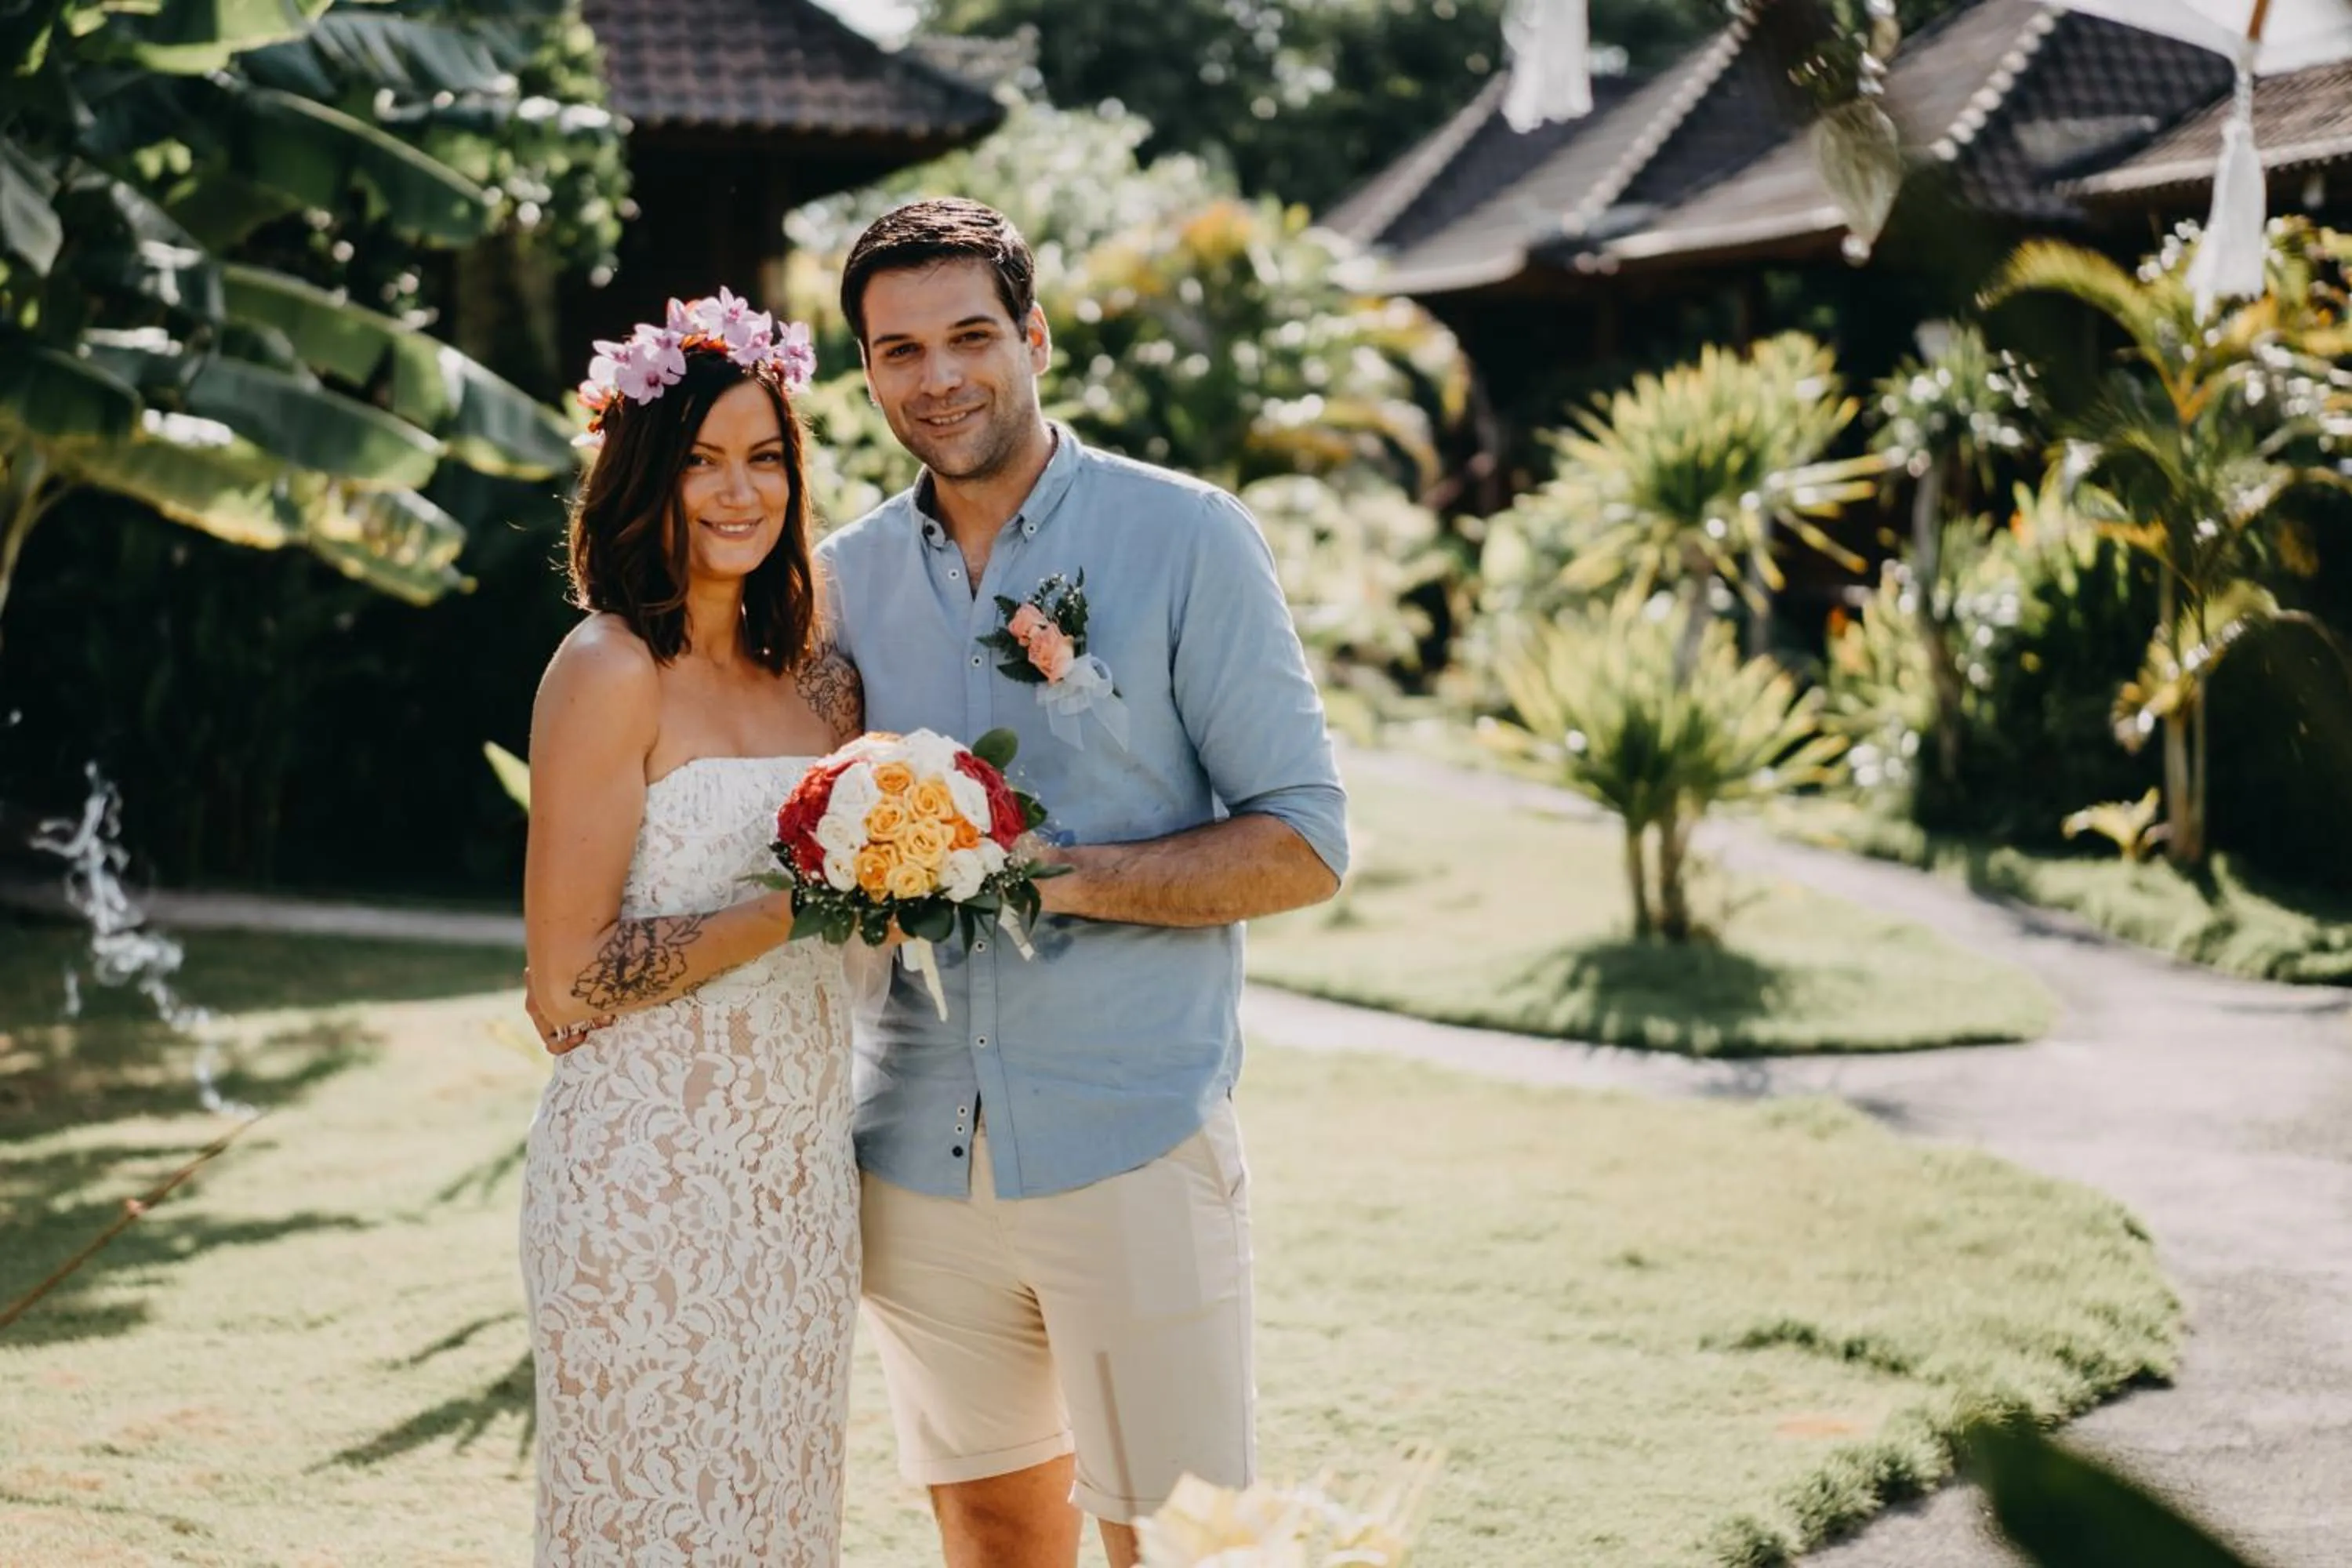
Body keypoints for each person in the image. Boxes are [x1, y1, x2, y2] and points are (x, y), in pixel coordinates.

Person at [819, 197, 1348, 1568]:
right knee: (994, 1533)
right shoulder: (838, 583)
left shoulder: (1186, 538)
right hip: (913, 1156)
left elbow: (1303, 842)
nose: (938, 379)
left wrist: (1045, 876)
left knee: (1178, 1547)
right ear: (866, 371)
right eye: (897, 351)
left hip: (1130, 1137)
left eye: (970, 337)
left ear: (1035, 338)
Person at [517, 296, 866, 1566]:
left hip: (800, 1189)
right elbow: (565, 986)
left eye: (766, 457)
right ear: (644, 479)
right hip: (640, 1186)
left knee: (779, 1521)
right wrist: (792, 910)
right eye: (704, 461)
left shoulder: (825, 681)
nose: (740, 492)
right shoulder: (607, 669)